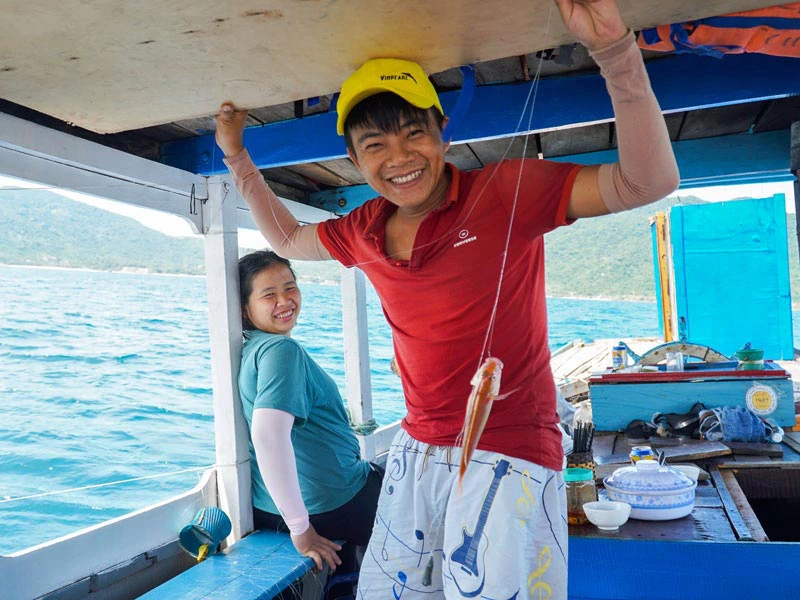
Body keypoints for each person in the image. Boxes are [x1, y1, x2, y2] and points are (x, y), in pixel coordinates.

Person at [217, 1, 679, 597]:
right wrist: (237, 157)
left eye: (415, 134)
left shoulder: (506, 190)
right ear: (356, 161)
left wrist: (615, 52)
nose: (400, 157)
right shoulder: (360, 228)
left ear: (443, 135)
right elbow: (284, 237)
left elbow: (648, 181)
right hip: (417, 445)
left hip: (511, 442)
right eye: (376, 144)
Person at [237, 249, 382, 579]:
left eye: (290, 287)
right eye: (269, 294)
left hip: (275, 507)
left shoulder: (254, 348)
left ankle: (344, 583)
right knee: (426, 514)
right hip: (330, 503)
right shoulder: (281, 350)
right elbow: (269, 436)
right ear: (246, 308)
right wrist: (300, 529)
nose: (285, 301)